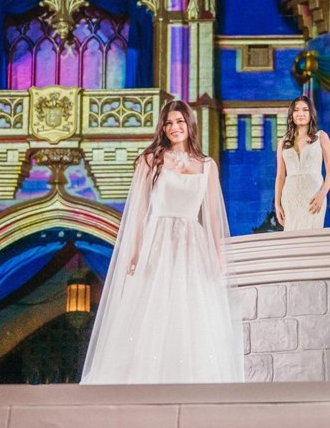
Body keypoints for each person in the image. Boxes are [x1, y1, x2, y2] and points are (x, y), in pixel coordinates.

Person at [82, 100, 244, 384]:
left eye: (179, 122)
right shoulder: (151, 161)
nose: (174, 128)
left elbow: (213, 217)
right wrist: (134, 251)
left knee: (190, 308)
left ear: (189, 124)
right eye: (168, 123)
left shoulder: (206, 166)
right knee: (152, 307)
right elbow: (140, 210)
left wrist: (219, 256)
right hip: (158, 240)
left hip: (192, 243)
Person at [275, 95, 330, 230]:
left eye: (305, 110)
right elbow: (280, 176)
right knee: (291, 238)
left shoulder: (321, 137)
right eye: (296, 110)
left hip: (314, 197)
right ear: (291, 114)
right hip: (290, 197)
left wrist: (321, 195)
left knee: (312, 237)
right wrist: (277, 204)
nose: (300, 113)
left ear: (311, 113)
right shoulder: (283, 142)